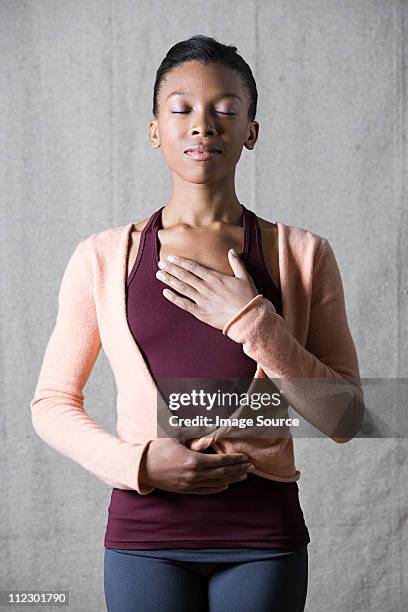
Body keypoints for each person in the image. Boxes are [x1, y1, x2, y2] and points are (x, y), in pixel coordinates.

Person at [31, 34, 364, 612]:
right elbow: (52, 402)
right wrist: (135, 462)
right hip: (144, 537)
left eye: (226, 111)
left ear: (251, 132)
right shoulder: (104, 258)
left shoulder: (306, 256)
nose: (203, 126)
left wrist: (251, 320)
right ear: (155, 129)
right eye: (181, 109)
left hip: (262, 538)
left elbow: (346, 416)